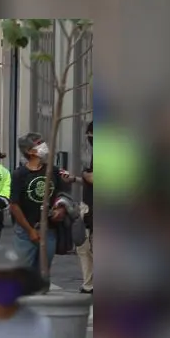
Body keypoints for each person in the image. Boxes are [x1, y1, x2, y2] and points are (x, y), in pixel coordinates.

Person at [9, 133, 67, 274]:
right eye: (38, 143)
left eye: (42, 142)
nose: (43, 145)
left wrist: (60, 209)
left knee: (43, 271)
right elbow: (14, 205)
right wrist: (30, 230)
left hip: (49, 229)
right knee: (23, 271)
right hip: (26, 230)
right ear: (29, 151)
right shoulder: (19, 175)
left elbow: (61, 195)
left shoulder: (52, 171)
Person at [76, 122, 93, 294]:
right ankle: (89, 283)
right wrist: (76, 179)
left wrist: (85, 174)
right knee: (84, 247)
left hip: (91, 208)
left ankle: (89, 284)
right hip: (89, 205)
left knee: (85, 246)